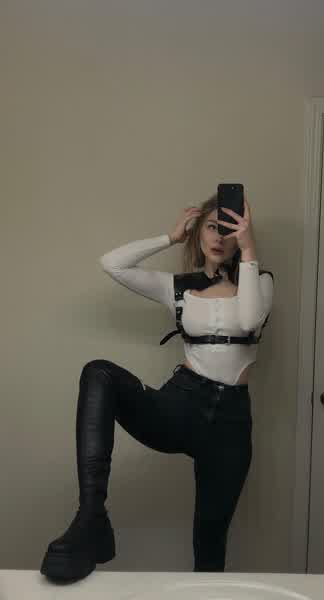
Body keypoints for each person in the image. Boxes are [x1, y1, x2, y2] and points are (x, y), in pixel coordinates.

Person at [40, 193, 274, 580]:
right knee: (99, 373)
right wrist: (169, 238)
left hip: (230, 423)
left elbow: (249, 320)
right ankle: (91, 519)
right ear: (198, 232)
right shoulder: (177, 287)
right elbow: (112, 263)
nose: (219, 237)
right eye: (212, 227)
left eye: (229, 230)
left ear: (241, 237)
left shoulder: (260, 281)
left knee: (210, 546)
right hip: (181, 404)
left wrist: (249, 250)